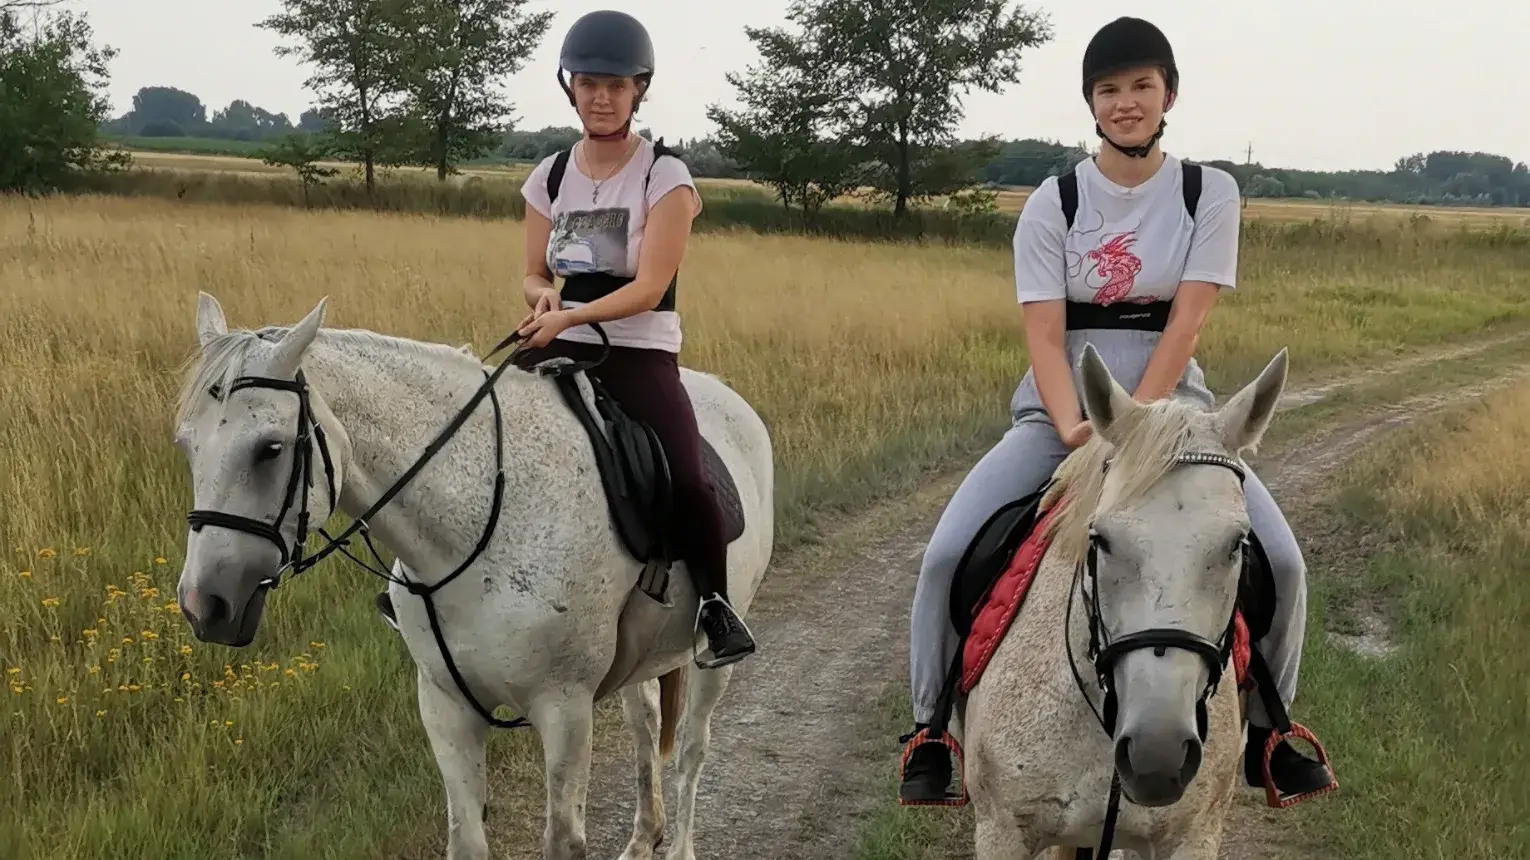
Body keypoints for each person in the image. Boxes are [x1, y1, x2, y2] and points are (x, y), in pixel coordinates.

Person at [897, 16, 1335, 803]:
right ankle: (930, 729)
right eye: (1108, 90)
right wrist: (1076, 426)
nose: (1125, 102)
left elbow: (1187, 321)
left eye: (1141, 86)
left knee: (1284, 564)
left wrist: (1139, 429)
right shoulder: (1054, 202)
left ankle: (1271, 734)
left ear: (1169, 94)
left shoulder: (1208, 193)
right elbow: (1044, 333)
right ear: (1090, 102)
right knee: (945, 555)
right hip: (1062, 418)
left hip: (1180, 420)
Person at [510, 9, 754, 669]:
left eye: (616, 85)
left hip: (638, 350)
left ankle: (715, 605)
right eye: (589, 83)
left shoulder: (664, 176)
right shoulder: (549, 176)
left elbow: (649, 288)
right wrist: (543, 298)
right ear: (570, 86)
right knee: (479, 430)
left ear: (638, 89)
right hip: (559, 337)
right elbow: (533, 273)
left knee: (687, 477)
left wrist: (569, 318)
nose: (601, 97)